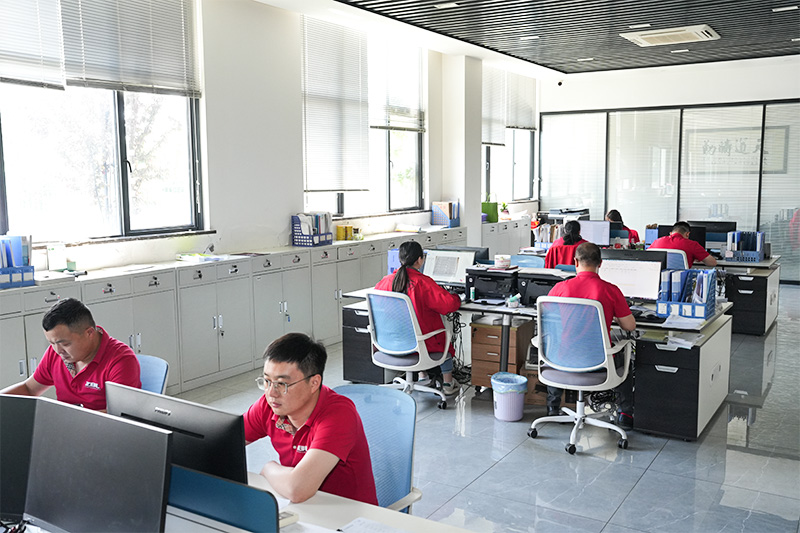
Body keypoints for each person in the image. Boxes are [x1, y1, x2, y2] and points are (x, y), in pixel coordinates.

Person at [244, 333, 378, 505]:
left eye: (282, 384)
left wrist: (269, 468)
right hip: (301, 508)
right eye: (267, 381)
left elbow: (297, 489)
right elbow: (225, 440)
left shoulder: (339, 414)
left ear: (314, 383)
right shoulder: (269, 405)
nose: (271, 393)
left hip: (349, 514)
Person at [545, 242, 637, 430]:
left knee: (557, 347)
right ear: (600, 263)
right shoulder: (611, 290)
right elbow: (629, 326)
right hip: (598, 363)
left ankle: (552, 408)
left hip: (562, 361)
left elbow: (548, 316)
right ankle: (625, 415)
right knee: (627, 358)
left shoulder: (560, 288)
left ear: (575, 262)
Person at [0, 298, 141, 411]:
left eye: (65, 344)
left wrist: (67, 420)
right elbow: (29, 389)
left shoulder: (121, 361)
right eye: (52, 343)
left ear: (89, 333)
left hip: (104, 432)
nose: (58, 351)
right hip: (67, 428)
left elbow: (119, 415)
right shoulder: (55, 353)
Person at [375, 240, 462, 395]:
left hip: (390, 343)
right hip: (420, 345)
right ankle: (448, 383)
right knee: (441, 336)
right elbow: (448, 305)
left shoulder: (385, 282)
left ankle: (423, 377)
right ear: (420, 260)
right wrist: (456, 296)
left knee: (415, 329)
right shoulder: (422, 283)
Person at [648, 221, 717, 267]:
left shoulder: (657, 241)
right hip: (681, 280)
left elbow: (646, 257)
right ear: (687, 234)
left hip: (658, 280)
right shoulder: (692, 245)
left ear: (671, 233)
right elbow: (712, 263)